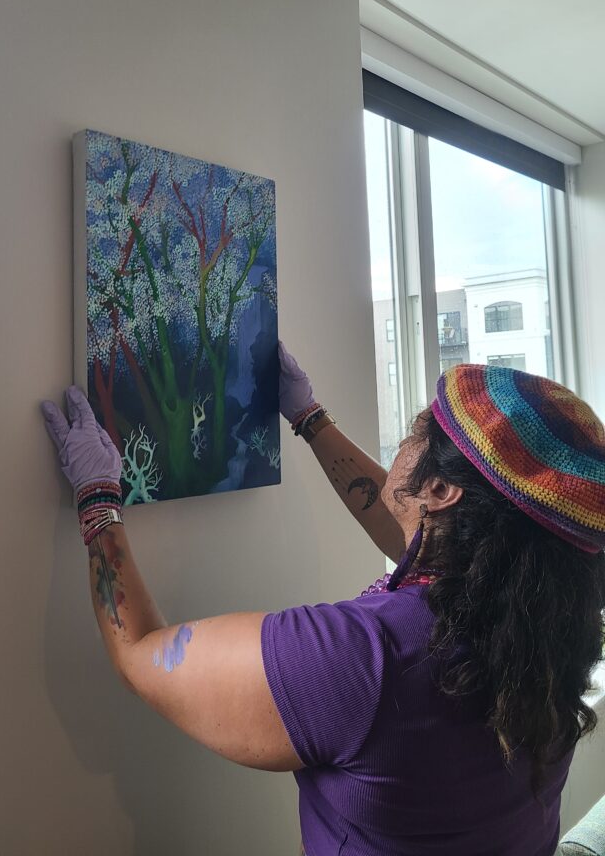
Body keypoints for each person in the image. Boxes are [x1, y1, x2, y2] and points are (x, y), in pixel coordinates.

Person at [40, 344, 605, 855]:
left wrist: (98, 499)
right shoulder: (542, 622)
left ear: (439, 489)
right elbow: (419, 529)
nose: (403, 442)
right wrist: (309, 418)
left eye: (417, 431)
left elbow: (140, 653)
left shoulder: (358, 659)